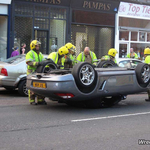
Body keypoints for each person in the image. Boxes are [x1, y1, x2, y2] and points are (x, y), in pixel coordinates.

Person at [26, 40, 47, 105]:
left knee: (40, 87)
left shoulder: (40, 54)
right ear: (33, 46)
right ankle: (32, 101)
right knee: (32, 88)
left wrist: (46, 62)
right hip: (31, 72)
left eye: (38, 46)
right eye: (36, 46)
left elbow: (43, 61)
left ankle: (40, 100)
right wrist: (38, 63)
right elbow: (29, 62)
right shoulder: (30, 53)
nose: (38, 47)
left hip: (39, 72)